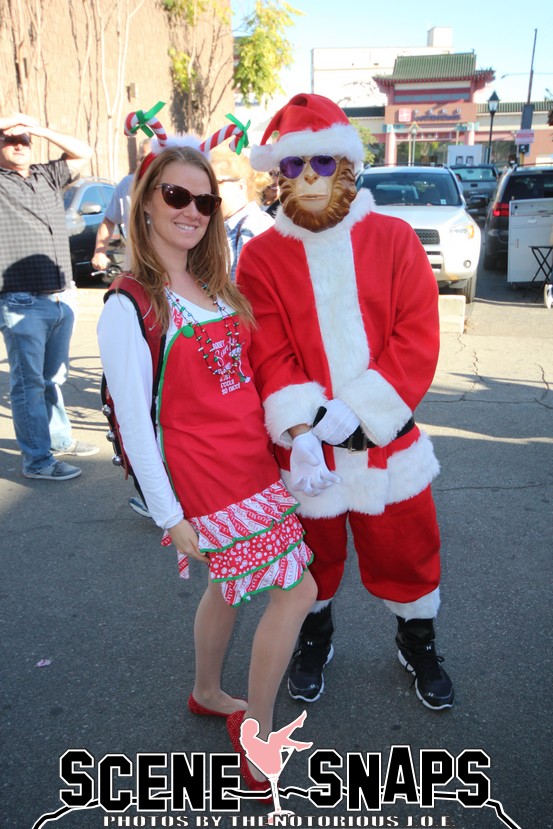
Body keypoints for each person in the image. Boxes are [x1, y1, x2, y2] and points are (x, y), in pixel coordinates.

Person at [97, 139, 317, 792]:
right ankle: (257, 737)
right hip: (208, 482)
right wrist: (169, 514)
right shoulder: (128, 303)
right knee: (298, 588)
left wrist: (295, 438)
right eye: (175, 196)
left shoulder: (217, 284)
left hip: (251, 467)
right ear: (145, 205)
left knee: (228, 584)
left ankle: (205, 690)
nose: (192, 210)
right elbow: (136, 424)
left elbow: (247, 381)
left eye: (204, 199)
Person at [237, 93, 454, 711]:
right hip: (310, 448)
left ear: (348, 166)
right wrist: (302, 424)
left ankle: (418, 641)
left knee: (409, 551)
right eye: (295, 166)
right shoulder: (259, 257)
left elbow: (417, 336)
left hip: (388, 443)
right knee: (313, 555)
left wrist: (360, 410)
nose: (309, 178)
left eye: (324, 164)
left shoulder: (394, 238)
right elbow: (268, 348)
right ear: (277, 173)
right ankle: (315, 637)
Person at [0, 112, 97, 481]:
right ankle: (37, 461)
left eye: (25, 140)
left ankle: (57, 440)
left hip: (60, 298)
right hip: (20, 300)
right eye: (10, 140)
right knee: (28, 384)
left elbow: (83, 151)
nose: (20, 144)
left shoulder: (45, 174)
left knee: (52, 379)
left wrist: (37, 127)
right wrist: (3, 124)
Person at [209, 147, 274, 281]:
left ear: (240, 186)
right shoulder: (229, 225)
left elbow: (250, 291)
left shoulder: (254, 226)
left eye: (214, 183)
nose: (207, 190)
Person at [91, 138, 151, 273]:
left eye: (152, 159)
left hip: (168, 269)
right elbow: (109, 220)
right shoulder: (126, 185)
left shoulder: (172, 188)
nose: (146, 164)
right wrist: (100, 251)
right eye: (143, 159)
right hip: (135, 267)